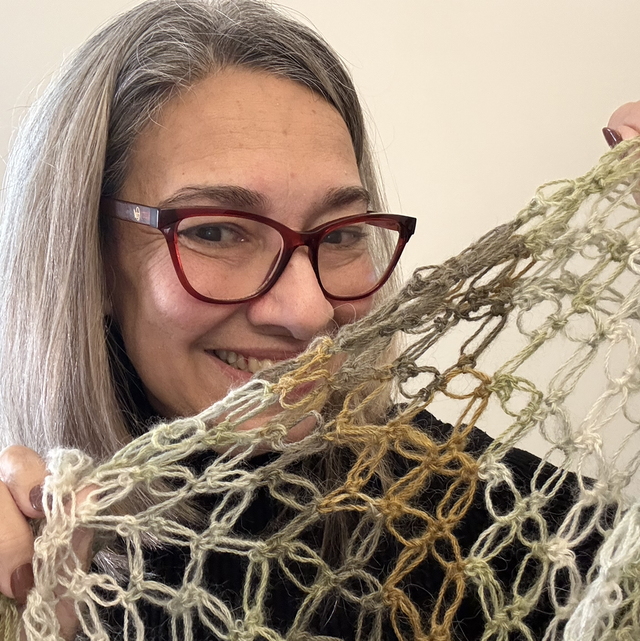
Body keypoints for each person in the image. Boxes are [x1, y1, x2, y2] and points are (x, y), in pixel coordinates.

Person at [0, 0, 625, 639]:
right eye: (216, 231)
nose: (308, 312)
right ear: (90, 257)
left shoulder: (505, 528)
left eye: (342, 233)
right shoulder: (31, 555)